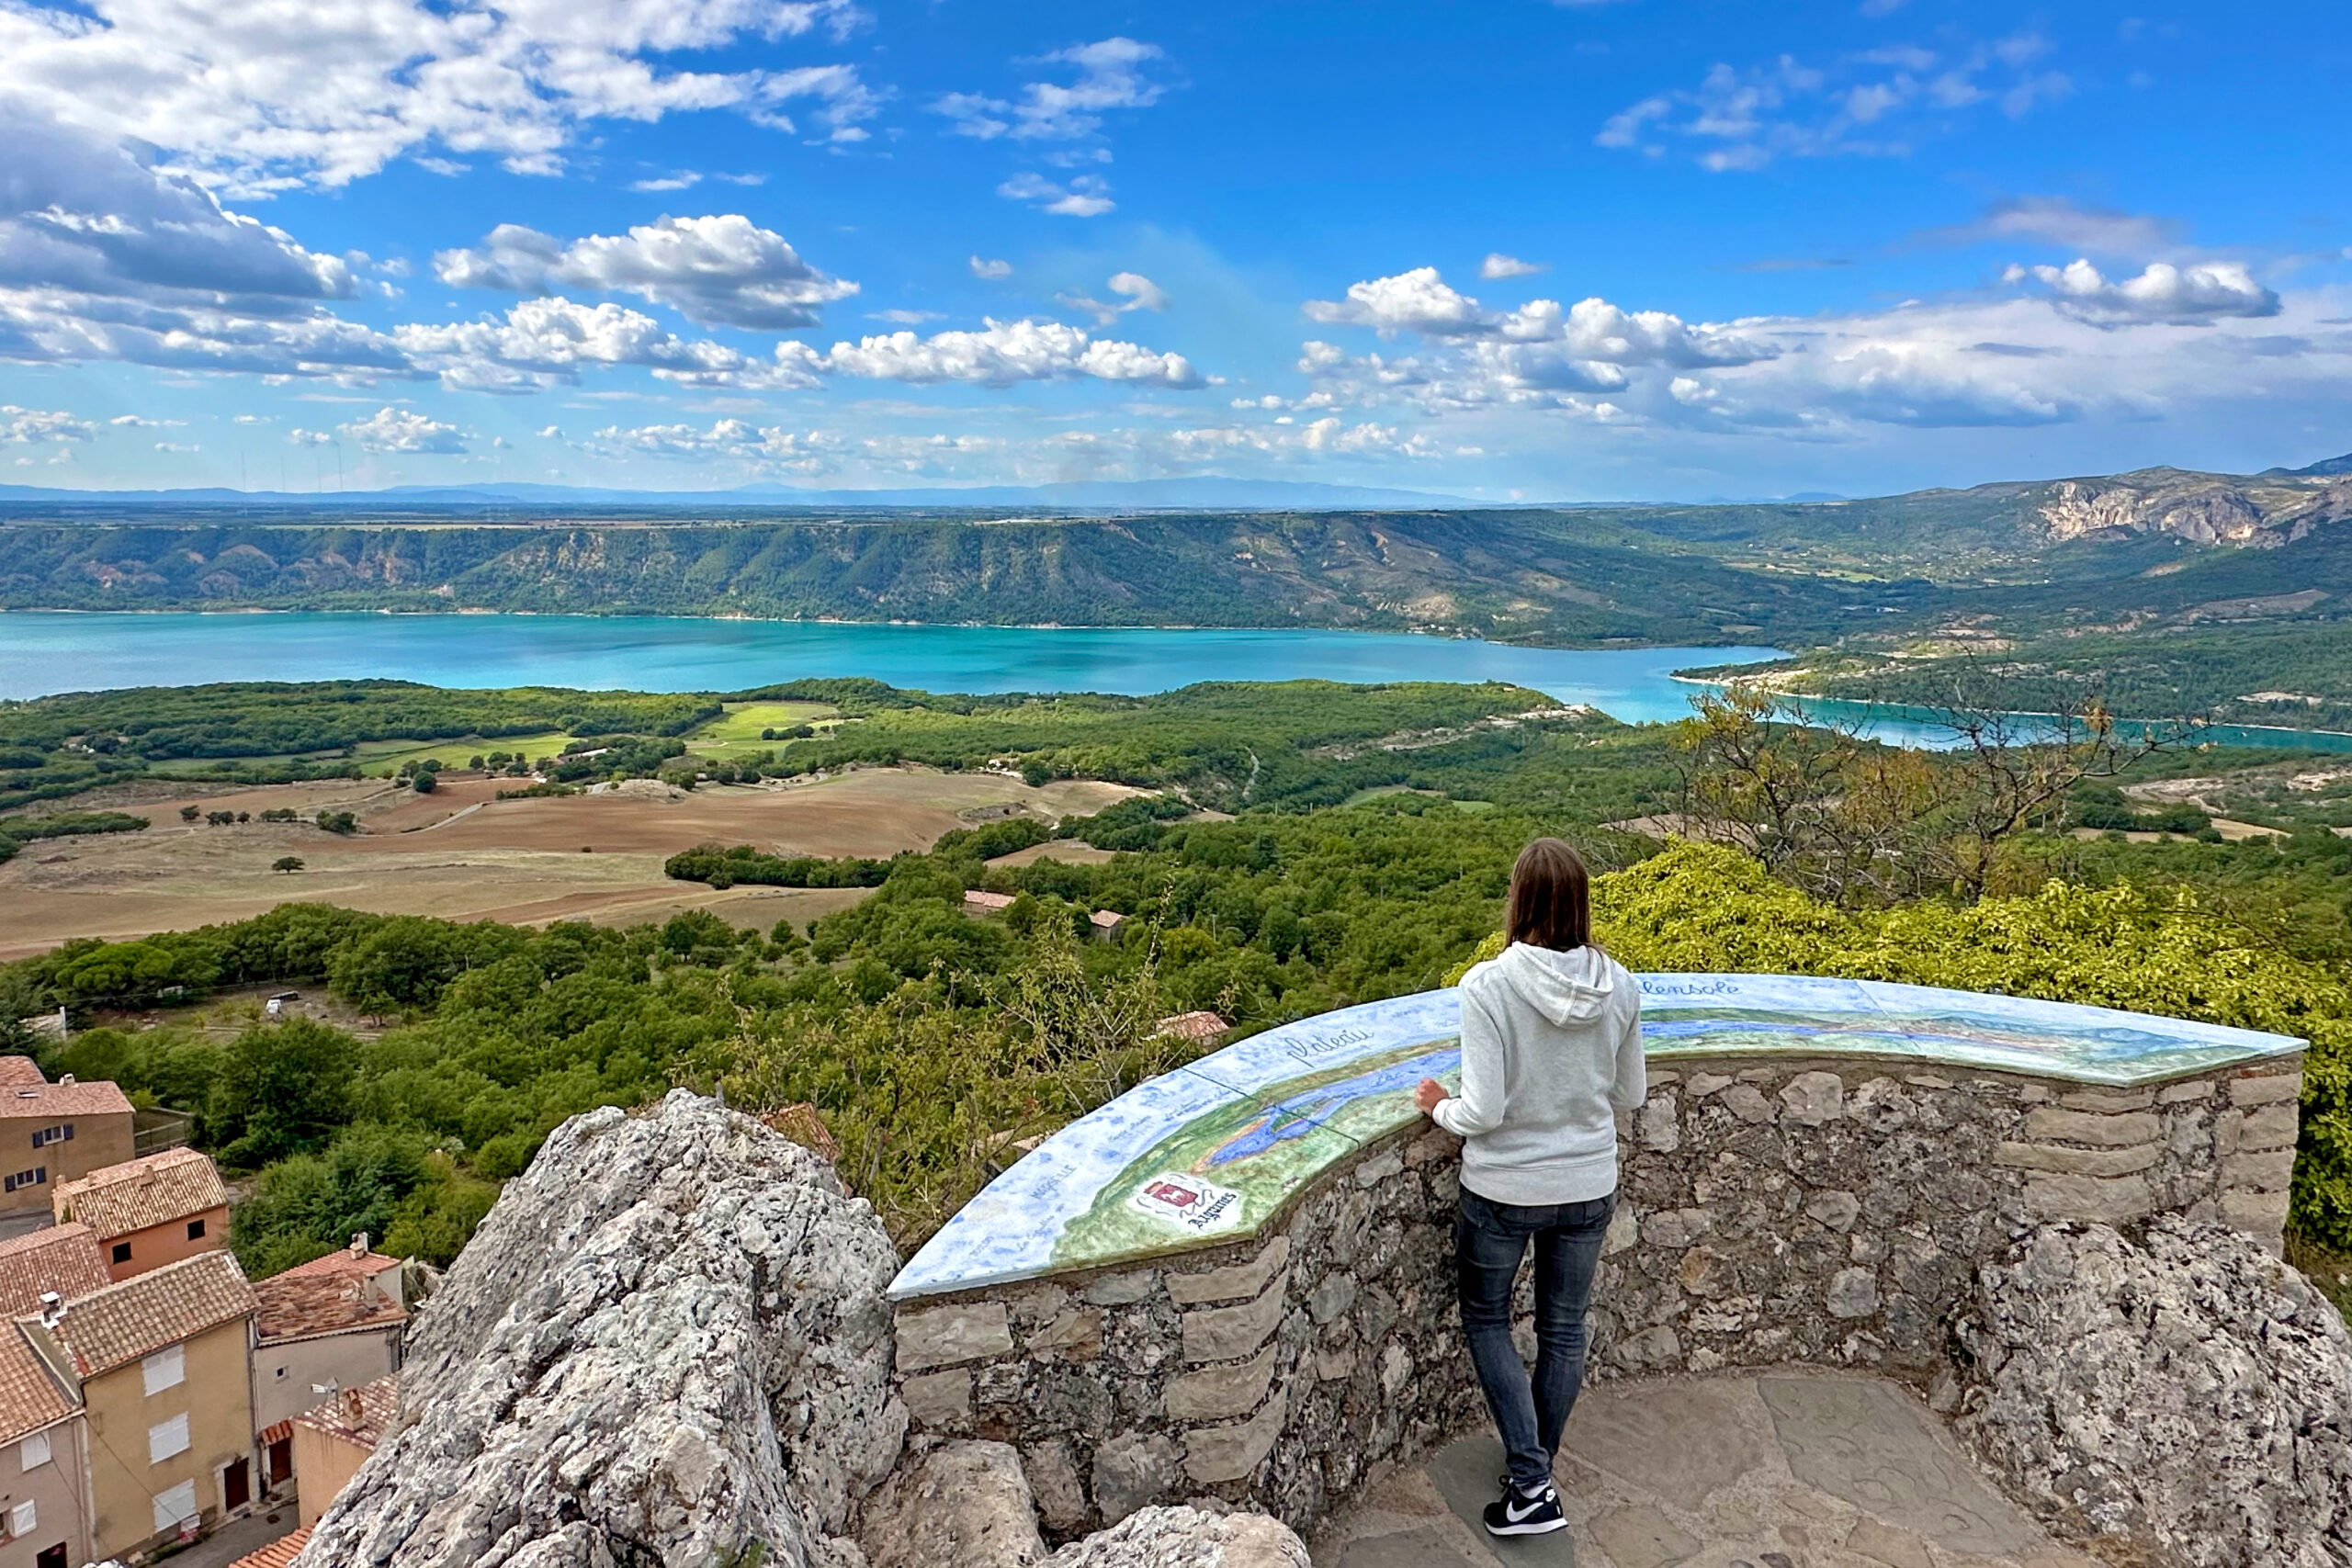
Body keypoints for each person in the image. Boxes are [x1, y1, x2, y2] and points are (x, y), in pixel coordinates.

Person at [1413, 837, 1645, 1539]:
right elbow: (1630, 1090)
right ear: (1581, 901)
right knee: (1563, 1328)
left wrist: (1435, 1106)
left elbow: (1481, 1112)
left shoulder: (1488, 986)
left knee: (1487, 1320)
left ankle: (1532, 1481)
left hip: (1506, 1187)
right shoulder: (1622, 985)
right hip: (1588, 1181)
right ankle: (1533, 1469)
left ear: (1518, 899)